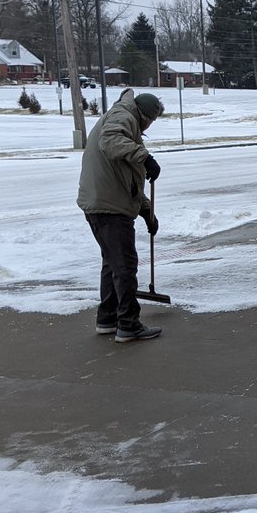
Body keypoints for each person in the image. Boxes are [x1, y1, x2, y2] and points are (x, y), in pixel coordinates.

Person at [76, 89, 165, 343]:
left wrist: (146, 210)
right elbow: (110, 141)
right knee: (125, 265)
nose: (149, 126)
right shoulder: (123, 117)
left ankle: (108, 318)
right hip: (109, 205)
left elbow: (127, 177)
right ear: (145, 117)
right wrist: (145, 157)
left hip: (103, 201)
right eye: (151, 121)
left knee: (112, 262)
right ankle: (128, 324)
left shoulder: (124, 119)